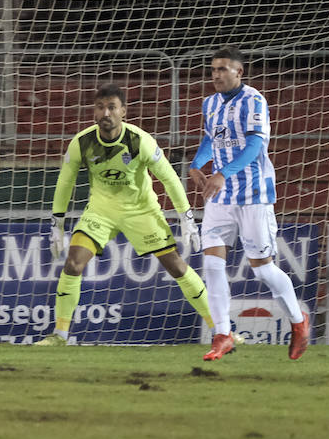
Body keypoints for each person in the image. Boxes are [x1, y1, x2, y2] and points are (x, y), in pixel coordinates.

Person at [37, 83, 210, 345]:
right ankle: (60, 335)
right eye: (100, 107)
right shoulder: (82, 143)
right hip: (101, 211)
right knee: (73, 263)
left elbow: (170, 178)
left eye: (111, 107)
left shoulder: (140, 140)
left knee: (176, 267)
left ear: (123, 112)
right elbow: (65, 183)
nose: (105, 113)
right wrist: (57, 224)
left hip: (141, 210)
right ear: (93, 111)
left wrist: (186, 217)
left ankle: (220, 329)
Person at [189, 46, 310, 362]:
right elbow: (209, 140)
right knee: (212, 265)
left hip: (254, 196)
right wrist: (196, 165)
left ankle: (299, 322)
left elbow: (256, 144)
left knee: (263, 271)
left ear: (238, 72)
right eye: (213, 69)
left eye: (223, 69)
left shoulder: (254, 100)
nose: (216, 75)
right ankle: (222, 334)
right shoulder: (210, 103)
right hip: (221, 199)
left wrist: (222, 173)